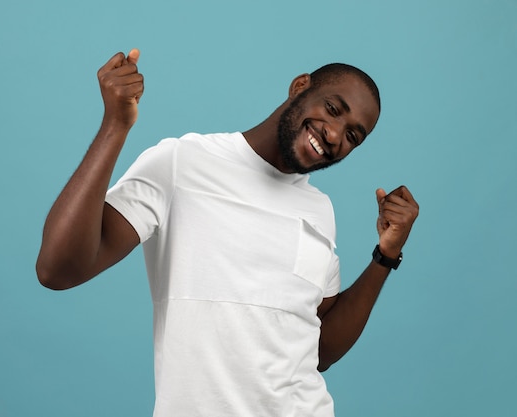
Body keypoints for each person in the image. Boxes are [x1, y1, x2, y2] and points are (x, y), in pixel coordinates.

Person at [36, 48, 419, 417]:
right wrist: (115, 126)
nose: (335, 136)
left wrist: (385, 256)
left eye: (353, 136)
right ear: (300, 86)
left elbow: (319, 350)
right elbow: (58, 269)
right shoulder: (182, 163)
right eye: (333, 110)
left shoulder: (320, 210)